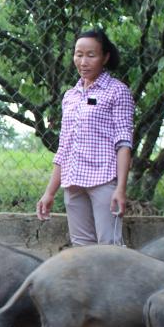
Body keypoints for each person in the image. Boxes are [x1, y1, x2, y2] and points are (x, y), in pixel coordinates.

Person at [35, 28, 134, 246]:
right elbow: (65, 147)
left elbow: (124, 143)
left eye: (91, 55)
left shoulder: (118, 91)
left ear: (105, 57)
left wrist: (120, 188)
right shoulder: (70, 96)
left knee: (109, 247)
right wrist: (49, 193)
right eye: (79, 54)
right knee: (81, 250)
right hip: (73, 181)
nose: (83, 61)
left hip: (104, 180)